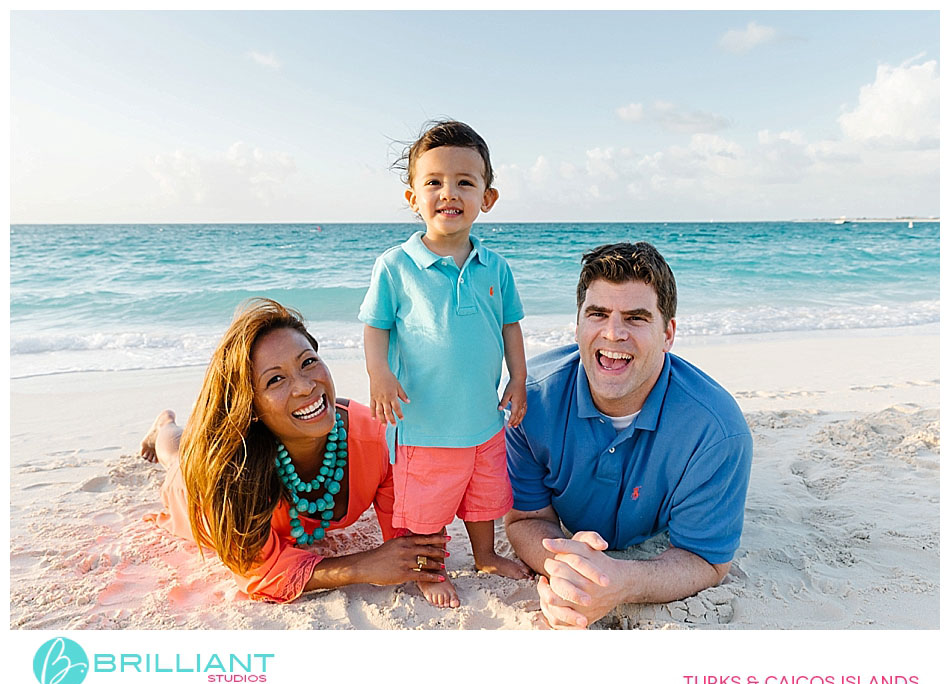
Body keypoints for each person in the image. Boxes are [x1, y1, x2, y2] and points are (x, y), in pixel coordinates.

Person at [504, 242, 753, 628]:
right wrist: (567, 571)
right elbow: (525, 519)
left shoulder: (717, 432)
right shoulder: (529, 401)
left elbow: (707, 559)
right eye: (598, 314)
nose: (613, 333)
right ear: (577, 326)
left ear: (668, 333)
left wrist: (619, 582)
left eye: (636, 318)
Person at [142, 298, 450, 603]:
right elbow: (259, 574)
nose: (305, 386)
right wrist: (361, 566)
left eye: (308, 362)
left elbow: (408, 534)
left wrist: (421, 564)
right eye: (275, 379)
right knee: (175, 457)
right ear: (251, 406)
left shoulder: (377, 439)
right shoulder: (233, 473)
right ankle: (163, 425)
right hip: (193, 491)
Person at [358, 119, 530, 608]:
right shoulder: (396, 265)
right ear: (412, 197)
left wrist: (518, 379)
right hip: (426, 424)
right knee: (426, 509)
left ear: (487, 198)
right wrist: (380, 375)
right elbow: (375, 326)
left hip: (482, 419)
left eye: (464, 182)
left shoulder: (495, 267)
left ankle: (485, 555)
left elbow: (509, 326)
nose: (448, 192)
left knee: (484, 498)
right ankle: (429, 570)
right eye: (433, 182)